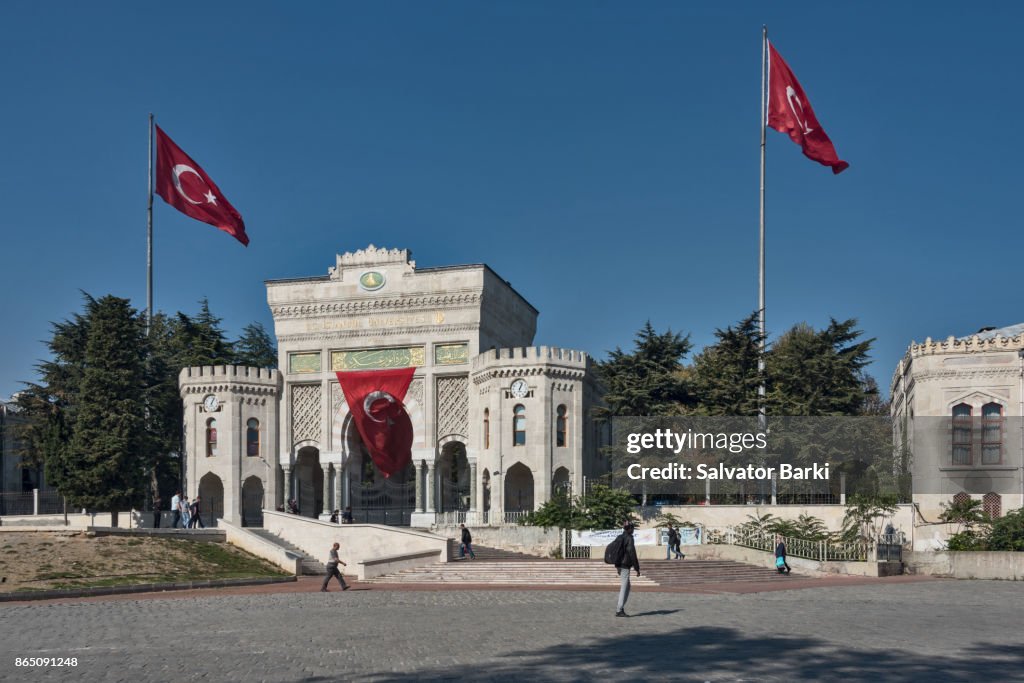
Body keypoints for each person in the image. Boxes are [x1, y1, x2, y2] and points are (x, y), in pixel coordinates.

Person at [614, 521, 640, 617]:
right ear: (629, 529)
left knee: (627, 586)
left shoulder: (620, 537)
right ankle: (619, 609)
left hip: (620, 564)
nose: (633, 530)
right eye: (632, 528)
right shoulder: (629, 538)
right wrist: (637, 568)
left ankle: (620, 608)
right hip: (625, 565)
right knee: (624, 587)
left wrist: (617, 565)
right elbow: (632, 553)